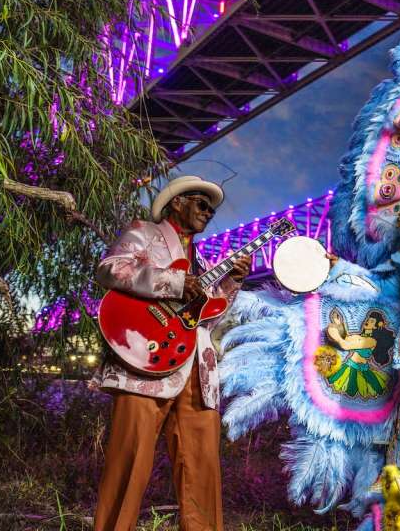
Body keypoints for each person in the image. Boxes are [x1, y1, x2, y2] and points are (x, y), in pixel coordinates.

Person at [91, 175, 252, 531]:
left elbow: (205, 319)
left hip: (197, 369)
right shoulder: (144, 233)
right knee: (128, 465)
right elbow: (110, 268)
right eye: (201, 203)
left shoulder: (203, 258)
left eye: (212, 209)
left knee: (202, 469)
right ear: (177, 202)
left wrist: (231, 282)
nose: (208, 212)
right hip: (145, 365)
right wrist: (176, 282)